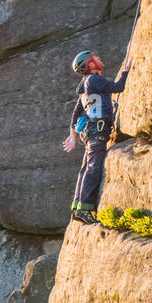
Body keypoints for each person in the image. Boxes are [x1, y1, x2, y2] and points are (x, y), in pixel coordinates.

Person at [63, 49, 132, 224]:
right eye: (96, 57)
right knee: (93, 168)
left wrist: (72, 135)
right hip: (98, 131)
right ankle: (85, 208)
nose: (99, 58)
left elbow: (76, 113)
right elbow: (118, 87)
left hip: (91, 132)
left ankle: (77, 207)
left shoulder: (86, 84)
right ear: (90, 64)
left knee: (86, 168)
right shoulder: (94, 79)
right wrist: (126, 71)